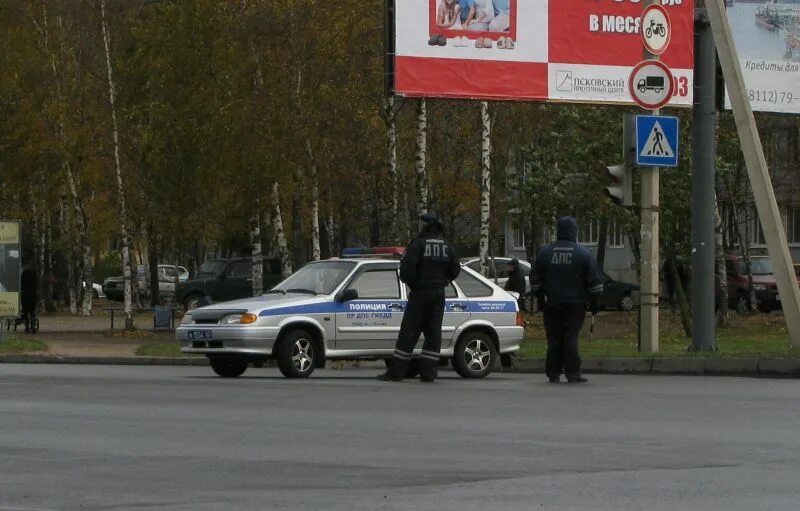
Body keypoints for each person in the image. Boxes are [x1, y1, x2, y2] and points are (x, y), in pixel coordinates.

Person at [377, 213, 461, 382]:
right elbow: (456, 269)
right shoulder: (446, 246)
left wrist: (415, 284)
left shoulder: (419, 245)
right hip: (438, 293)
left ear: (425, 226)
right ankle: (429, 372)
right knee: (433, 332)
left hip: (421, 293)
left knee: (409, 331)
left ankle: (397, 372)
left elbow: (407, 270)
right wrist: (443, 281)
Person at [530, 217, 604, 384]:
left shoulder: (545, 252)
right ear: (574, 232)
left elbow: (535, 280)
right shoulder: (583, 253)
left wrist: (541, 299)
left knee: (554, 337)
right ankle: (573, 372)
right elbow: (595, 282)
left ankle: (553, 372)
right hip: (575, 304)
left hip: (552, 303)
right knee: (571, 336)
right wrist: (595, 303)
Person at [20, 266, 38, 333]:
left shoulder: (23, 278)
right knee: (32, 313)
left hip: (25, 298)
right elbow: (36, 287)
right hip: (33, 298)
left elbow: (21, 286)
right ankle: (33, 326)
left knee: (25, 314)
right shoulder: (34, 278)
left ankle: (27, 328)